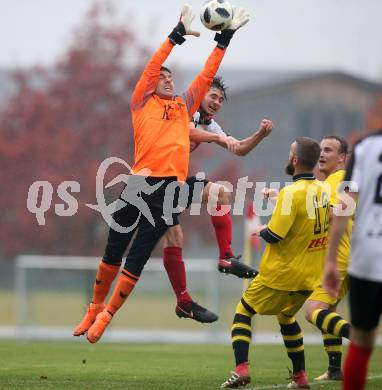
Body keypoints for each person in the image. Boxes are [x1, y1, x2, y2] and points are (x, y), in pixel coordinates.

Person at [73, 4, 250, 343]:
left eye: (171, 77)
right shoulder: (142, 102)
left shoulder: (185, 106)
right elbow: (153, 65)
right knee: (114, 251)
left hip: (169, 192)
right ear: (153, 83)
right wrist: (176, 36)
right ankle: (94, 307)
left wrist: (224, 38)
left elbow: (207, 72)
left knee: (137, 258)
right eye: (163, 78)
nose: (168, 80)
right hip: (138, 185)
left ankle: (106, 317)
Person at [163, 77, 273, 323]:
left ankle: (225, 257)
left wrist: (260, 135)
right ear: (200, 93)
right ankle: (183, 301)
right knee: (169, 239)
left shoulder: (209, 123)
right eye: (213, 96)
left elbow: (239, 149)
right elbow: (185, 131)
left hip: (174, 181)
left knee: (220, 193)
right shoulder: (181, 106)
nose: (217, 102)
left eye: (221, 100)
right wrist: (219, 138)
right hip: (154, 181)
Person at [221, 138, 329, 389]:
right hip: (309, 275)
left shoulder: (291, 193)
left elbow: (276, 235)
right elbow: (306, 212)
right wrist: (277, 198)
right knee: (287, 316)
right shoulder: (323, 190)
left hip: (281, 273)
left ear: (295, 160)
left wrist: (261, 230)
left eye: (290, 152)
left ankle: (241, 370)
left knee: (243, 311)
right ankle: (300, 377)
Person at [323, 129, 382, 390]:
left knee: (361, 339)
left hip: (368, 253)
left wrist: (331, 260)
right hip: (365, 256)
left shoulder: (365, 148)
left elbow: (344, 206)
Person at [304, 136, 352, 381]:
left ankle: (358, 336)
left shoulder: (337, 179)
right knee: (330, 309)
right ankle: (335, 369)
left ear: (342, 158)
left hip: (341, 257)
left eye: (329, 150)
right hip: (350, 256)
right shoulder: (337, 180)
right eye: (320, 149)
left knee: (312, 310)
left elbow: (333, 213)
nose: (321, 154)